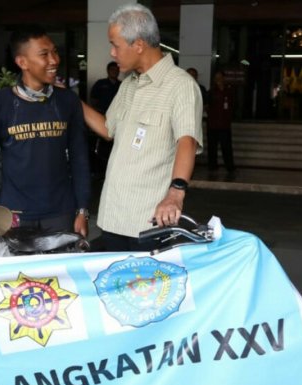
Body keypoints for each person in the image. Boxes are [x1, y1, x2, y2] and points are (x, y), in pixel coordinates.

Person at [81, 4, 203, 252]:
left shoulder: (180, 86)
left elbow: (186, 141)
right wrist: (72, 102)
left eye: (115, 45)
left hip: (148, 222)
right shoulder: (129, 85)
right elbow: (107, 129)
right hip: (113, 216)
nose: (112, 53)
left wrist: (175, 194)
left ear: (138, 45)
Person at [0, 25, 90, 237]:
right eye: (44, 54)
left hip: (60, 213)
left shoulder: (67, 101)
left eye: (54, 52)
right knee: (16, 271)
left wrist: (82, 210)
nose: (54, 60)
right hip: (14, 214)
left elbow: (79, 158)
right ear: (22, 62)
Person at [88, 61, 121, 180]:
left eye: (116, 70)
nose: (114, 71)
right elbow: (93, 99)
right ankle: (100, 169)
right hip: (103, 119)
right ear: (108, 71)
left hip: (118, 120)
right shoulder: (100, 84)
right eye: (112, 69)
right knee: (101, 146)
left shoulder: (122, 85)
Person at [206, 71, 236, 180]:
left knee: (226, 146)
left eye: (220, 77)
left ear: (224, 78)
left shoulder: (229, 91)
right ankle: (212, 165)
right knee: (212, 146)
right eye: (216, 77)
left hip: (224, 124)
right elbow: (207, 106)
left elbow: (232, 105)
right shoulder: (211, 92)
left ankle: (230, 166)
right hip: (213, 124)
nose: (218, 79)